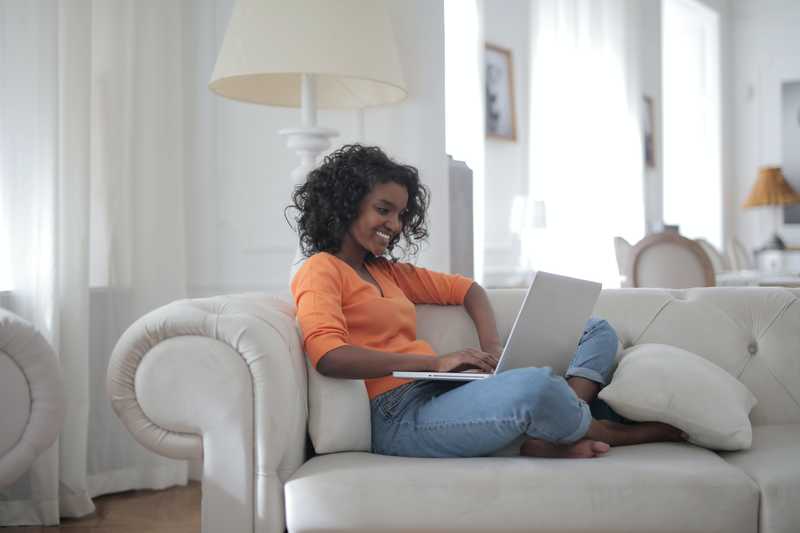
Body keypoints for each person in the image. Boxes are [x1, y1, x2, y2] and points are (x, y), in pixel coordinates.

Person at [287, 144, 685, 459]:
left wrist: (492, 350)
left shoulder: (388, 272)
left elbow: (469, 290)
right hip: (395, 416)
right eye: (383, 210)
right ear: (346, 202)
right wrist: (433, 363)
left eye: (401, 214)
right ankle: (596, 428)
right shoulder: (320, 269)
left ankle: (556, 424)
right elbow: (329, 355)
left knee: (596, 328)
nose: (394, 225)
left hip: (439, 393)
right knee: (533, 386)